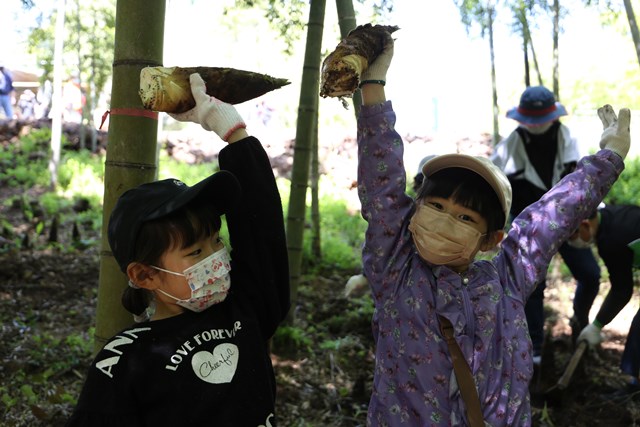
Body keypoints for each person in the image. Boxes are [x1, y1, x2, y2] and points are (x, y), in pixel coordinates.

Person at [355, 30, 629, 426]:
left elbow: (552, 217)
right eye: (435, 205)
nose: (447, 219)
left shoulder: (507, 278)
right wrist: (373, 86)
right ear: (414, 210)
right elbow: (381, 188)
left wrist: (609, 158)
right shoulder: (397, 270)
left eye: (466, 217)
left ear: (491, 239)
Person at [66, 73, 290, 426]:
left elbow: (263, 234)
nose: (217, 258)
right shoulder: (124, 361)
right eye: (195, 252)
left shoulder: (246, 306)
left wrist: (233, 133)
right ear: (144, 274)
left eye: (216, 241)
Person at [490, 85, 602, 362]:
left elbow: (587, 180)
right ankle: (534, 348)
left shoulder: (568, 140)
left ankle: (580, 323)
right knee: (530, 285)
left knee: (590, 275)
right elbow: (493, 185)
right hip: (527, 227)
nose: (537, 126)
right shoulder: (510, 145)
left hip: (568, 222)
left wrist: (595, 215)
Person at [568, 205, 640, 400]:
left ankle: (635, 389)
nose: (572, 243)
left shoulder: (611, 240)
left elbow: (622, 290)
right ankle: (635, 385)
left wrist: (596, 326)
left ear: (584, 225)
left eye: (571, 237)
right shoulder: (610, 216)